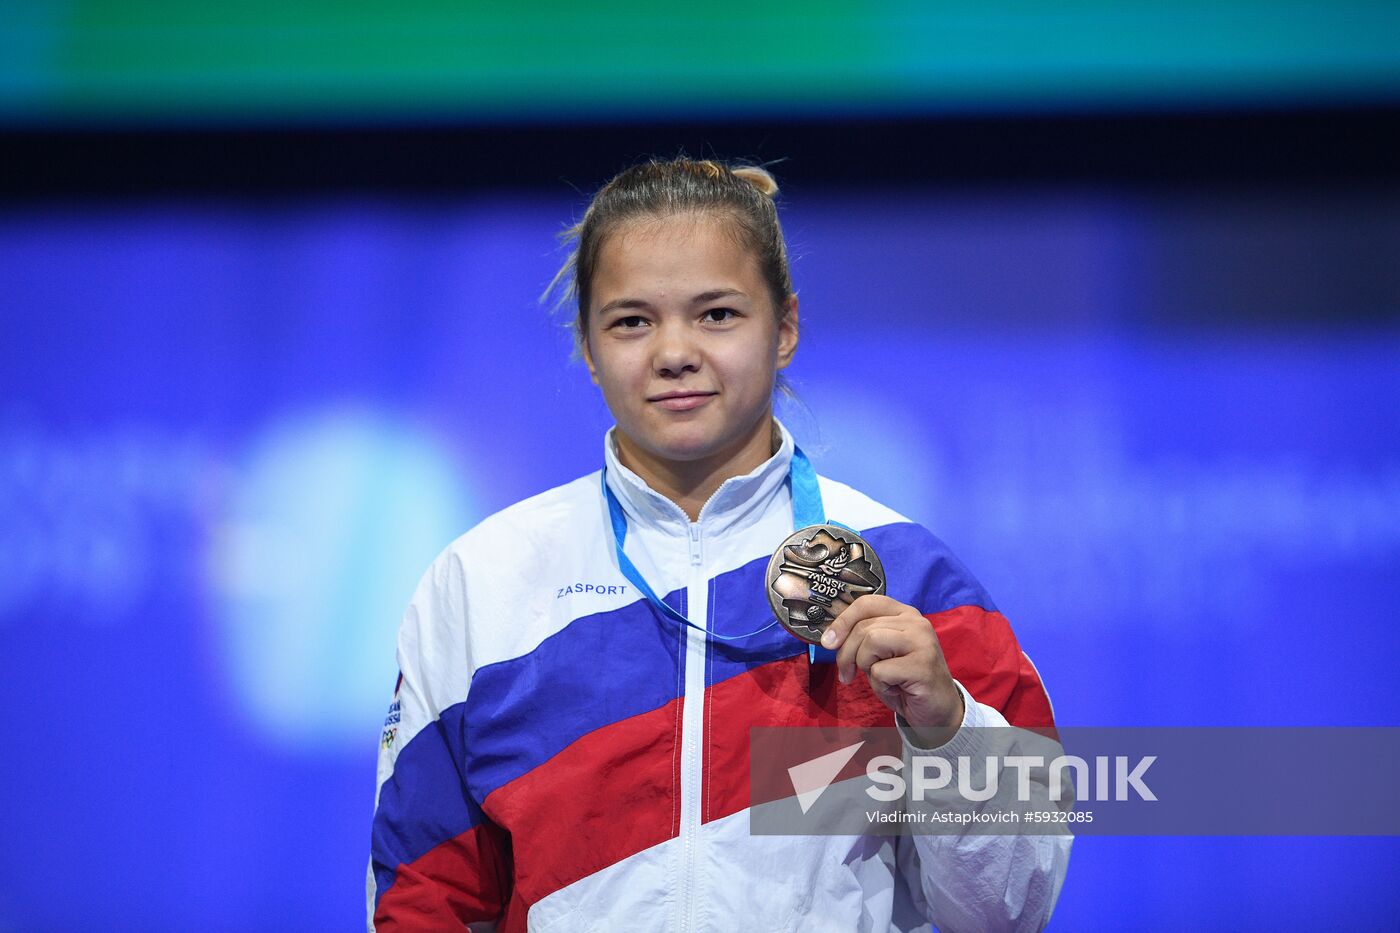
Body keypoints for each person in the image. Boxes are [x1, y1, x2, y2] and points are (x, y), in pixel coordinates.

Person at [368, 158, 1070, 931]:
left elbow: (1012, 911)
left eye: (717, 314)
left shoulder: (910, 574)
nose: (674, 351)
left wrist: (945, 728)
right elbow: (422, 899)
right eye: (631, 320)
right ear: (589, 346)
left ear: (786, 328)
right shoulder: (482, 583)